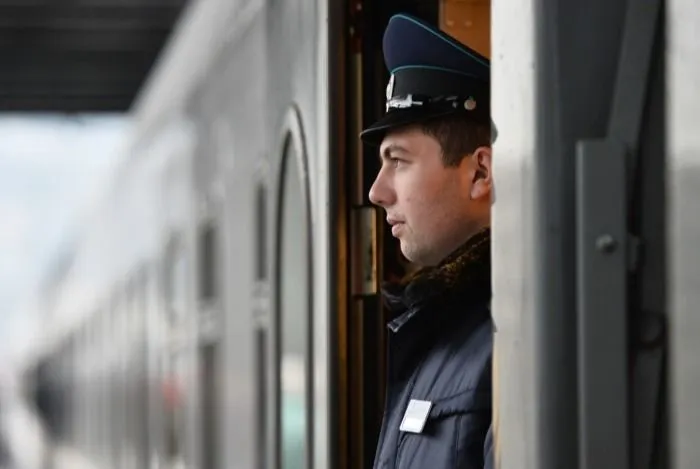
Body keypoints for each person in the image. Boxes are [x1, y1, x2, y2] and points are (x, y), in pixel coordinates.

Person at [360, 13, 495, 469]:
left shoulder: (511, 338)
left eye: (397, 160)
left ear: (480, 172)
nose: (377, 192)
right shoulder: (441, 329)